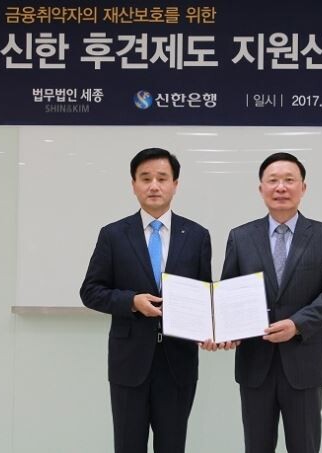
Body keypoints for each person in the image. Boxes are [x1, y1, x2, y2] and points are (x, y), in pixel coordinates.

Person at [80, 148, 211, 453]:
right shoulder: (113, 235)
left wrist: (210, 329)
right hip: (129, 362)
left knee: (173, 446)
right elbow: (91, 291)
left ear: (175, 184)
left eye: (162, 178)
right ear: (134, 184)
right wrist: (131, 301)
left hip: (178, 362)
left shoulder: (197, 235)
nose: (154, 186)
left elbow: (204, 296)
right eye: (145, 178)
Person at [220, 152, 322, 453]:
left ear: (303, 187)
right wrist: (226, 329)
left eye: (289, 180)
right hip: (255, 364)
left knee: (304, 446)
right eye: (273, 180)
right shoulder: (240, 237)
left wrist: (296, 324)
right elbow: (228, 294)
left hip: (303, 364)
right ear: (261, 188)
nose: (281, 187)